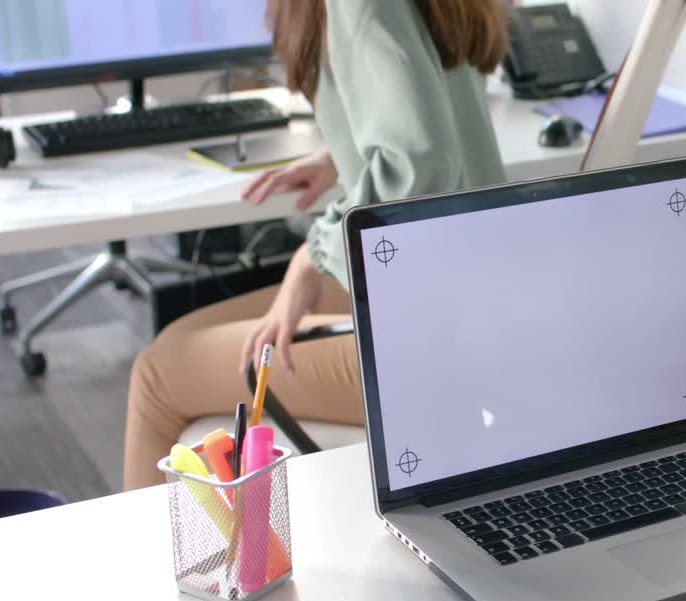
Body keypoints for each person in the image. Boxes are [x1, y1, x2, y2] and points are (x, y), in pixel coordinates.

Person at [122, 0, 508, 491]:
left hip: (439, 343)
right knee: (181, 338)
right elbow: (434, 107)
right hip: (472, 295)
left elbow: (422, 163)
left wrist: (312, 256)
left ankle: (161, 566)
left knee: (156, 378)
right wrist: (340, 156)